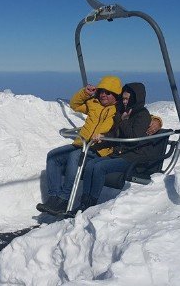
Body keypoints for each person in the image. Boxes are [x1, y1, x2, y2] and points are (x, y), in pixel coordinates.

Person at [37, 77, 161, 215]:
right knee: (53, 156)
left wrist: (157, 121)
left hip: (99, 148)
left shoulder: (118, 109)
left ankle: (64, 199)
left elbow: (139, 115)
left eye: (108, 93)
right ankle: (54, 196)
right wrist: (85, 93)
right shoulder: (94, 104)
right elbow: (74, 104)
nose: (103, 95)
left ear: (115, 95)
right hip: (82, 143)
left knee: (74, 157)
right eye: (101, 91)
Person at [78, 82, 156, 211]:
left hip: (133, 156)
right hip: (120, 153)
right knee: (91, 164)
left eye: (127, 99)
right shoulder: (124, 112)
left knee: (99, 167)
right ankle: (84, 201)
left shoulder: (142, 115)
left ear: (135, 98)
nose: (125, 101)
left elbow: (133, 138)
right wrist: (103, 136)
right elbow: (116, 133)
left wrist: (124, 121)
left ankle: (91, 203)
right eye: (123, 98)